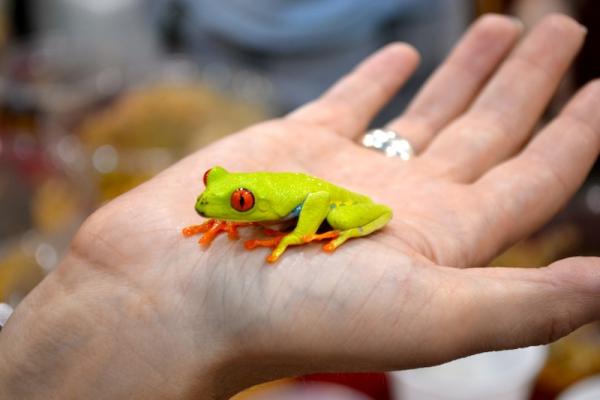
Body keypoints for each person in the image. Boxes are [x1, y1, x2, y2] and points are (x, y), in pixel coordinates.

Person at [0, 13, 598, 400]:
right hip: (291, 194)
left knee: (327, 215)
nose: (216, 202)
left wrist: (295, 237)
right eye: (221, 190)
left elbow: (311, 201)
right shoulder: (227, 203)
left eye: (232, 200)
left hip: (335, 205)